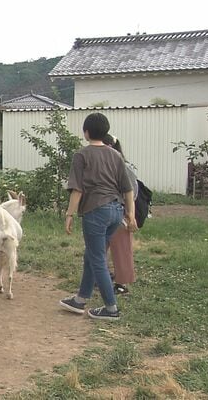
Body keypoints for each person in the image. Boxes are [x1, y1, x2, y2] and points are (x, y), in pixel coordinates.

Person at [60, 113, 136, 321]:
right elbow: (127, 188)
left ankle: (111, 309)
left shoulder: (82, 155)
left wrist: (69, 214)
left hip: (95, 211)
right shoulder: (115, 155)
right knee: (92, 255)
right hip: (116, 211)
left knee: (97, 259)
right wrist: (131, 214)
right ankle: (80, 299)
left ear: (86, 132)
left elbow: (77, 189)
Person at [102, 134, 138, 295]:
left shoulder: (124, 167)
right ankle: (101, 277)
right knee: (98, 249)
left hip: (120, 212)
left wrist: (131, 216)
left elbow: (132, 194)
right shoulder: (101, 167)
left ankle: (121, 282)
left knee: (122, 249)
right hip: (102, 211)